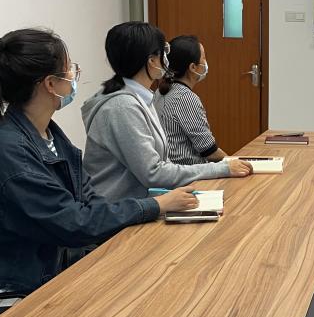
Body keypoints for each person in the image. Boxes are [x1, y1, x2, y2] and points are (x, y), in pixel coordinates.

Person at [0, 28, 198, 317]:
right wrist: (154, 206)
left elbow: (89, 199)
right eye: (70, 68)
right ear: (50, 84)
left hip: (41, 270)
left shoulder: (49, 134)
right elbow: (73, 223)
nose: (74, 74)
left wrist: (143, 212)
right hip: (2, 293)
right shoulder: (8, 151)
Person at [81, 21, 251, 200]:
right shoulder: (122, 107)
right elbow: (153, 173)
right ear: (151, 61)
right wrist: (221, 168)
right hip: (118, 209)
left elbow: (161, 164)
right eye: (164, 51)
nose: (167, 58)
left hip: (140, 201)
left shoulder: (142, 97)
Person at [158, 35, 228, 165]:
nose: (206, 63)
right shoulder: (185, 98)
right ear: (193, 67)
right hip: (188, 171)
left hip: (173, 168)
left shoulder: (160, 91)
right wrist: (235, 161)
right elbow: (210, 152)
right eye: (204, 58)